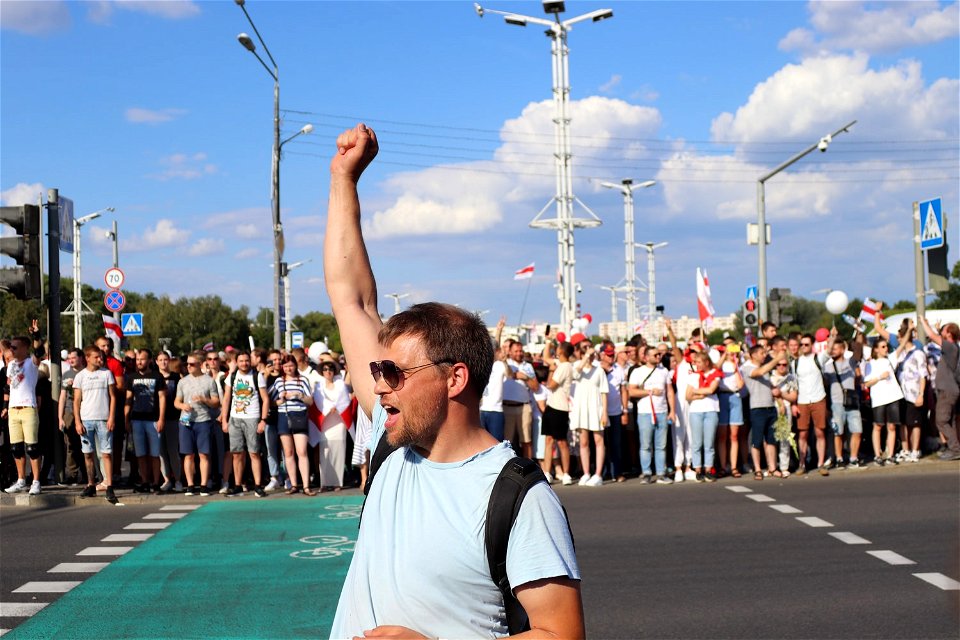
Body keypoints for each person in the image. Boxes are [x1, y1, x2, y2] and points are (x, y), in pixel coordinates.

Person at [324, 123, 582, 639]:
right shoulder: (388, 446)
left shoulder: (517, 495)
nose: (379, 387)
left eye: (394, 373)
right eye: (378, 371)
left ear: (454, 378)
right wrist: (343, 181)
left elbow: (563, 634)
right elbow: (351, 298)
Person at [221, 351, 269, 497]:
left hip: (252, 417)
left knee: (254, 453)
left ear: (250, 361)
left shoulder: (257, 376)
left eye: (246, 360)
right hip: (235, 418)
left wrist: (263, 420)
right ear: (237, 362)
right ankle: (237, 485)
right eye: (241, 361)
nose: (244, 363)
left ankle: (258, 485)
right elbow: (227, 399)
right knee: (236, 453)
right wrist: (224, 419)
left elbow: (265, 399)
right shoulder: (232, 376)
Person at [4, 325, 45, 495]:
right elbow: (9, 387)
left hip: (28, 408)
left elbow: (39, 353)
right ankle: (21, 480)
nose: (11, 350)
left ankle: (36, 481)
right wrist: (6, 407)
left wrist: (36, 335)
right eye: (10, 347)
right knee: (16, 448)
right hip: (14, 409)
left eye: (14, 347)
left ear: (24, 348)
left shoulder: (31, 363)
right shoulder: (11, 364)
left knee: (32, 448)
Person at [74, 345, 118, 502]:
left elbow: (113, 396)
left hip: (103, 419)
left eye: (101, 357)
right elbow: (77, 400)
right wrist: (78, 421)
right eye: (96, 357)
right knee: (88, 454)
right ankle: (91, 484)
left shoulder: (107, 374)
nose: (100, 359)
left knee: (106, 453)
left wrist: (111, 417)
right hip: (86, 419)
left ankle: (109, 486)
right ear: (87, 358)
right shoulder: (81, 376)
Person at [174, 352, 221, 496]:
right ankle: (190, 485)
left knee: (204, 454)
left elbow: (216, 402)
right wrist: (182, 406)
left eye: (192, 364)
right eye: (187, 364)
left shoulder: (209, 381)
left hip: (203, 420)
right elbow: (176, 401)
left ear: (200, 365)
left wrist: (204, 399)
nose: (188, 366)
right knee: (188, 455)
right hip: (186, 420)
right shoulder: (183, 381)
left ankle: (204, 485)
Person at [628, 346, 676, 484]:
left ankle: (661, 473)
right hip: (645, 413)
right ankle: (647, 472)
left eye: (659, 354)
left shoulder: (664, 371)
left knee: (661, 445)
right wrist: (649, 392)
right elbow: (631, 391)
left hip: (661, 411)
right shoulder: (637, 372)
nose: (658, 357)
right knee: (645, 445)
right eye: (655, 355)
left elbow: (669, 391)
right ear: (646, 357)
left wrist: (672, 410)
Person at [270, 354, 316, 495]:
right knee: (288, 452)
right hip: (284, 416)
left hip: (299, 416)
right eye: (285, 366)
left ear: (295, 365)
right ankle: (294, 485)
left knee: (301, 451)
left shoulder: (303, 380)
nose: (288, 368)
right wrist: (281, 399)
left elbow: (310, 401)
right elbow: (271, 401)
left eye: (291, 365)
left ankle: (306, 485)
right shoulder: (278, 381)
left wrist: (299, 395)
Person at [821, 330, 866, 468]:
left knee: (857, 430)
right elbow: (825, 386)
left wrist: (858, 332)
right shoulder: (827, 367)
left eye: (836, 348)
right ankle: (839, 458)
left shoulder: (851, 363)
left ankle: (853, 457)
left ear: (843, 348)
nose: (833, 350)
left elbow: (858, 350)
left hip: (852, 402)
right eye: (832, 348)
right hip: (836, 404)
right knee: (838, 432)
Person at [124, 348, 167, 494]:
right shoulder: (132, 377)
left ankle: (156, 482)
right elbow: (128, 399)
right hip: (136, 420)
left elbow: (162, 398)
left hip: (153, 420)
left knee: (155, 454)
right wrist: (126, 419)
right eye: (137, 359)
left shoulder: (157, 376)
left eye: (142, 359)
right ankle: (145, 481)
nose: (139, 362)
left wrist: (161, 418)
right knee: (140, 454)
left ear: (149, 360)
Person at [919, 317, 960, 460]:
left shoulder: (950, 346)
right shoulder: (953, 347)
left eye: (944, 329)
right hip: (950, 389)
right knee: (950, 421)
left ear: (949, 333)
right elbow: (937, 336)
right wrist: (937, 330)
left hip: (946, 390)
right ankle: (954, 448)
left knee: (941, 421)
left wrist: (923, 321)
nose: (941, 330)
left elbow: (931, 336)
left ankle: (955, 449)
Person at [570, 340, 609, 487]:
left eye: (590, 349)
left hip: (596, 408)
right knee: (584, 442)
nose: (589, 352)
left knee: (599, 441)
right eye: (584, 349)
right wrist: (585, 357)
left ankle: (598, 473)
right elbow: (575, 374)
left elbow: (604, 392)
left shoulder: (599, 370)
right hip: (581, 408)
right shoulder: (577, 366)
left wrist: (604, 412)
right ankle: (586, 472)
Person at [793, 333, 830, 476]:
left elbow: (829, 350)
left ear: (812, 345)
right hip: (802, 401)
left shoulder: (818, 358)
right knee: (802, 434)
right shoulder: (795, 362)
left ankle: (821, 463)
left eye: (806, 344)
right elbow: (793, 384)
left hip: (818, 398)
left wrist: (831, 337)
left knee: (820, 432)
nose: (803, 347)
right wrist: (793, 404)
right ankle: (802, 464)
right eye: (801, 344)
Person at [862, 339, 904, 466]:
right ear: (876, 349)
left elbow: (901, 347)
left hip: (893, 396)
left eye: (886, 346)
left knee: (892, 426)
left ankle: (890, 454)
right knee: (878, 426)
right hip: (879, 398)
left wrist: (909, 330)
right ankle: (877, 455)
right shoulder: (871, 364)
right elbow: (866, 383)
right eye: (883, 346)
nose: (886, 349)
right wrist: (880, 377)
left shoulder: (889, 359)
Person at [542, 340, 576, 486]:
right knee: (549, 440)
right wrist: (548, 342)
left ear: (561, 351)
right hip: (551, 406)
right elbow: (545, 358)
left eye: (558, 348)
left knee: (561, 442)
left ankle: (566, 473)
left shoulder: (565, 366)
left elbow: (551, 384)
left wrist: (551, 370)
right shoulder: (559, 364)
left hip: (560, 408)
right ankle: (547, 472)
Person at [685, 351, 722, 482]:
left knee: (709, 442)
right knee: (696, 442)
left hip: (711, 410)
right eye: (695, 362)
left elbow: (711, 389)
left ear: (706, 362)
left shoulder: (715, 374)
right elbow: (687, 396)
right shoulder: (693, 376)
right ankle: (697, 469)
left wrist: (695, 391)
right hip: (696, 411)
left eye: (699, 362)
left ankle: (708, 469)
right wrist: (700, 395)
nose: (697, 365)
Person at [317, 359, 350, 490]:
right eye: (325, 369)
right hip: (325, 422)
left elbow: (344, 400)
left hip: (338, 420)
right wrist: (328, 407)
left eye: (330, 369)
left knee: (338, 451)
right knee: (324, 452)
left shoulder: (340, 384)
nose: (328, 372)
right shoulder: (319, 385)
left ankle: (337, 482)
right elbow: (318, 400)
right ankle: (324, 483)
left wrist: (336, 407)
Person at [503, 339, 535, 459]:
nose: (519, 353)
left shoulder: (528, 366)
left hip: (524, 407)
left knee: (526, 441)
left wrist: (525, 377)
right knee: (507, 443)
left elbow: (536, 387)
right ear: (510, 352)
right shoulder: (505, 363)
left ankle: (529, 471)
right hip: (507, 407)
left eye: (521, 351)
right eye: (516, 351)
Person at [58, 348, 86, 485]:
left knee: (86, 443)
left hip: (85, 410)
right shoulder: (66, 374)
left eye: (74, 357)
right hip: (69, 412)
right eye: (69, 358)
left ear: (81, 358)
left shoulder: (87, 373)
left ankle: (88, 474)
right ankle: (73, 474)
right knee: (70, 444)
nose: (71, 360)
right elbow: (62, 397)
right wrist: (60, 417)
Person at [156, 351, 182, 492]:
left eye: (165, 359)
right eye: (160, 360)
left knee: (173, 451)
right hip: (158, 419)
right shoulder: (155, 377)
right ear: (156, 362)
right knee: (161, 452)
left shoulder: (176, 377)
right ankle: (167, 480)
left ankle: (178, 479)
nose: (163, 362)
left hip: (173, 418)